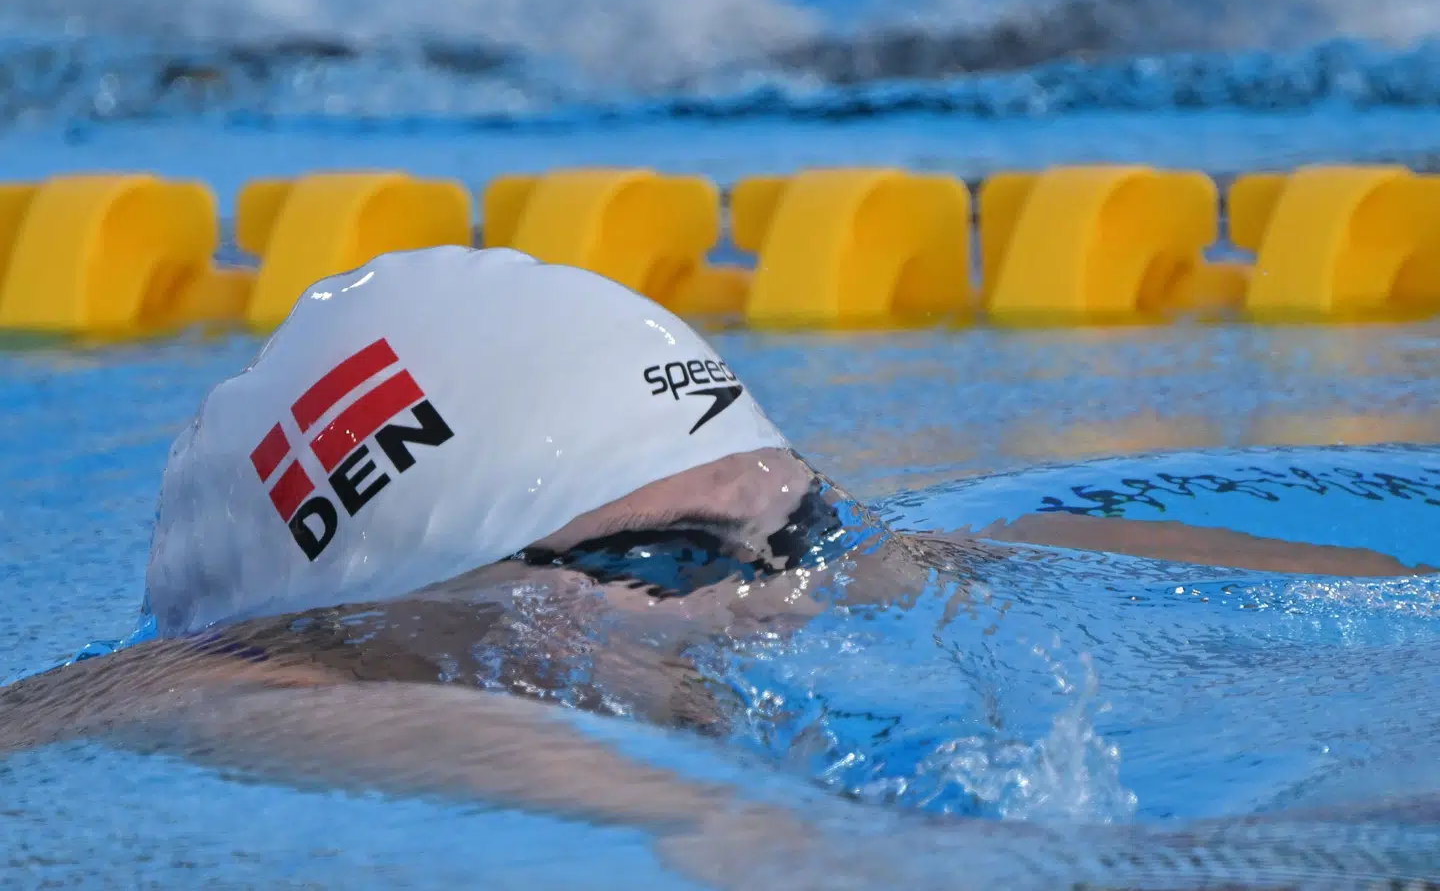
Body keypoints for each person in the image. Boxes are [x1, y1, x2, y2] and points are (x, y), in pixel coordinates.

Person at [2, 245, 1434, 888]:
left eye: (800, 528)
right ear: (398, 604)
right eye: (675, 555)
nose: (787, 602)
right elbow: (286, 701)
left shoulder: (776, 578)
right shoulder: (266, 689)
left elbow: (967, 555)